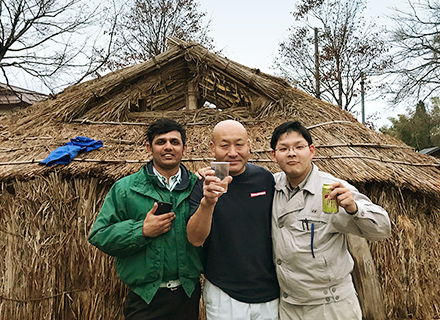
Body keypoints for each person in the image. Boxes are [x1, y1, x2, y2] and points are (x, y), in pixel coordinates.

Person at [269, 121, 391, 320]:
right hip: (289, 306)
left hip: (330, 306)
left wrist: (354, 208)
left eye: (299, 147)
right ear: (274, 155)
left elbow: (382, 229)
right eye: (284, 148)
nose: (291, 153)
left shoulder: (333, 189)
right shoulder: (271, 186)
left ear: (312, 151)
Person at [88, 118, 203, 320]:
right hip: (145, 298)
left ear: (185, 148)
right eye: (161, 142)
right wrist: (140, 230)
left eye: (174, 142)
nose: (168, 147)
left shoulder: (198, 187)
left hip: (188, 295)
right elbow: (99, 234)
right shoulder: (125, 189)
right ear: (149, 148)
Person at [187, 120, 279, 320]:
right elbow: (195, 239)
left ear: (249, 145)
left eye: (239, 144)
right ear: (213, 148)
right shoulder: (204, 184)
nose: (232, 152)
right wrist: (208, 202)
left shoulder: (265, 179)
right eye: (224, 145)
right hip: (224, 293)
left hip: (270, 292)